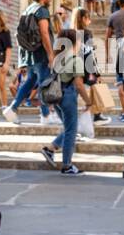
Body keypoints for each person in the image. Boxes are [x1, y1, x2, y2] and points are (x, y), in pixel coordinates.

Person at [41, 16, 95, 175]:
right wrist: (88, 101)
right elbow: (78, 84)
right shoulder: (75, 59)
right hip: (68, 95)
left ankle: (51, 149)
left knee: (69, 128)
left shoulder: (57, 58)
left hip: (56, 97)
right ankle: (66, 164)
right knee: (72, 130)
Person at [4, 0, 59, 126]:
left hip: (30, 53)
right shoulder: (41, 10)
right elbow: (44, 33)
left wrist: (22, 59)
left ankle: (12, 108)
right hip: (40, 52)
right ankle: (46, 115)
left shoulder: (27, 10)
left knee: (30, 81)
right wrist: (51, 54)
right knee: (44, 83)